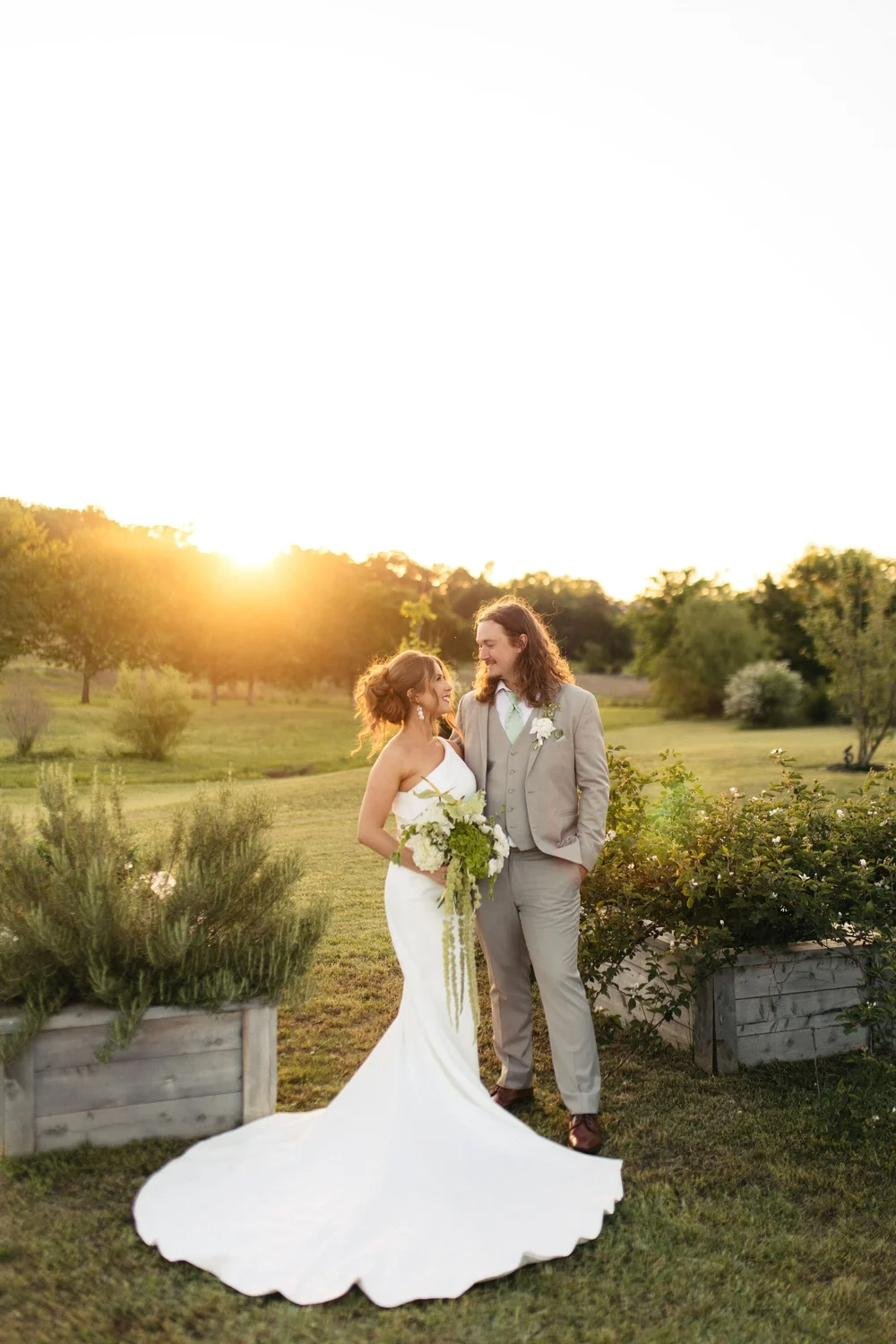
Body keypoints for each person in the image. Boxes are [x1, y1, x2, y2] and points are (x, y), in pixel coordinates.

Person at [133, 649, 621, 1308]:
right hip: (418, 896)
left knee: (454, 1005)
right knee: (430, 1002)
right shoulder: (395, 756)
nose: (452, 684)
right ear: (419, 692)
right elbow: (367, 831)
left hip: (456, 895)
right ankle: (439, 1118)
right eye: (441, 678)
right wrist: (429, 864)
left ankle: (460, 1105)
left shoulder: (452, 741)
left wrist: (472, 856)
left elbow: (475, 809)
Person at [452, 598, 610, 1155]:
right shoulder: (473, 707)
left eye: (491, 642)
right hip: (492, 867)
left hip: (552, 864)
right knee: (505, 980)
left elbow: (596, 784)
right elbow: (459, 775)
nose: (483, 653)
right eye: (480, 645)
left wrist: (582, 855)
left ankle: (583, 1106)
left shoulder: (575, 705)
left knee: (559, 982)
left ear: (522, 641)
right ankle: (515, 1077)